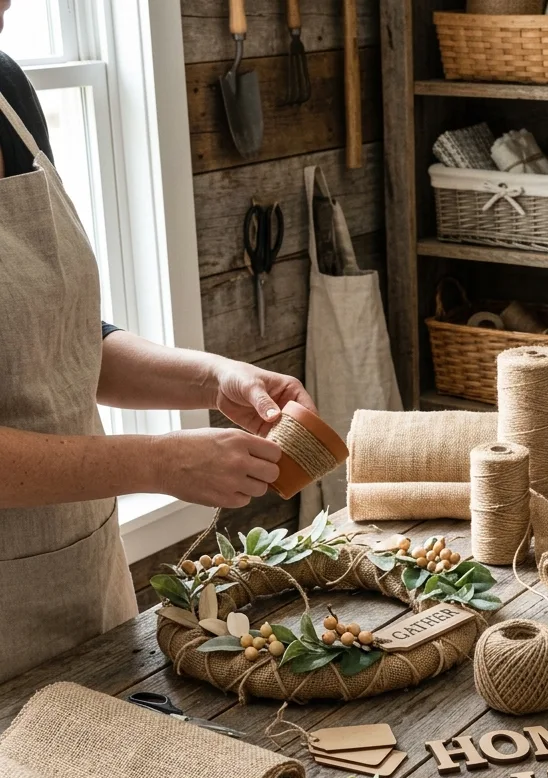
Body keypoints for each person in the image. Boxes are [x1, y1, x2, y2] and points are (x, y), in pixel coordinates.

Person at [0, 1, 318, 689]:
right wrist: (161, 460)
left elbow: (60, 343)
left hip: (78, 579)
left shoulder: (8, 92)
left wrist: (213, 380)